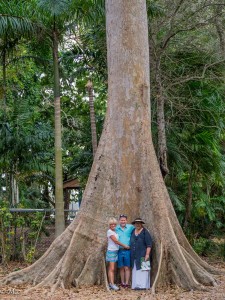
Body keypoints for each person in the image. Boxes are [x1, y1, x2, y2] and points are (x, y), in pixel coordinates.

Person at [106, 217, 130, 291]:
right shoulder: (110, 231)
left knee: (113, 268)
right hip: (111, 251)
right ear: (109, 225)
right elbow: (116, 241)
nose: (113, 225)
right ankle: (111, 284)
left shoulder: (115, 231)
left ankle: (112, 283)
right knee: (112, 269)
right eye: (111, 224)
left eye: (114, 224)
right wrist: (125, 245)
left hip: (116, 251)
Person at [130, 217, 153, 290]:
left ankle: (143, 286)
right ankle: (136, 285)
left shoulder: (145, 232)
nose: (138, 224)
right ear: (134, 224)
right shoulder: (133, 231)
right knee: (135, 269)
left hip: (143, 254)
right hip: (134, 255)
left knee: (144, 270)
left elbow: (149, 244)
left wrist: (147, 254)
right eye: (136, 223)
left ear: (141, 224)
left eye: (139, 223)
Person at [116, 214, 134, 288]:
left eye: (124, 220)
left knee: (127, 267)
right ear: (119, 221)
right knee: (121, 267)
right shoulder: (116, 228)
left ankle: (127, 283)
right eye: (121, 220)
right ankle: (122, 282)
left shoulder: (130, 227)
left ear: (126, 221)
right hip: (119, 250)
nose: (123, 221)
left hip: (127, 250)